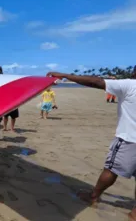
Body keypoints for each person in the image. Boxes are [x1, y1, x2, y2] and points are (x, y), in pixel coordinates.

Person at [47, 67, 136, 221]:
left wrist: (65, 75)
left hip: (129, 140)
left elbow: (96, 82)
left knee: (111, 169)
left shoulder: (130, 85)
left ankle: (93, 196)